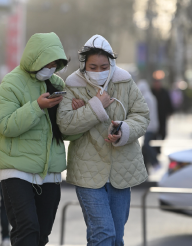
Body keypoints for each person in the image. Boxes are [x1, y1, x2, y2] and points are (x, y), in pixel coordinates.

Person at [0, 32, 83, 246]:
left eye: (55, 64)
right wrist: (37, 106)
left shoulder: (57, 83)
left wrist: (77, 114)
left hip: (49, 173)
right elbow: (5, 125)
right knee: (26, 230)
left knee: (41, 235)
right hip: (17, 171)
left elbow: (65, 131)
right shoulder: (11, 84)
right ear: (34, 58)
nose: (50, 68)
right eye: (46, 62)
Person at [57, 35, 150, 246]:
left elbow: (142, 116)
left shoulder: (125, 81)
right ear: (84, 65)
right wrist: (94, 107)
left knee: (116, 238)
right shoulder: (72, 85)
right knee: (104, 232)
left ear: (112, 64)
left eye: (103, 66)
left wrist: (124, 130)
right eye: (93, 66)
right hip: (87, 173)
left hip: (121, 171)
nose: (98, 71)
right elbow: (65, 124)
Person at [137, 80, 160, 173]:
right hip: (152, 125)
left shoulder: (146, 98)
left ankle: (155, 162)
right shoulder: (151, 96)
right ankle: (145, 168)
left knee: (147, 145)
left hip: (149, 126)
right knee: (145, 148)